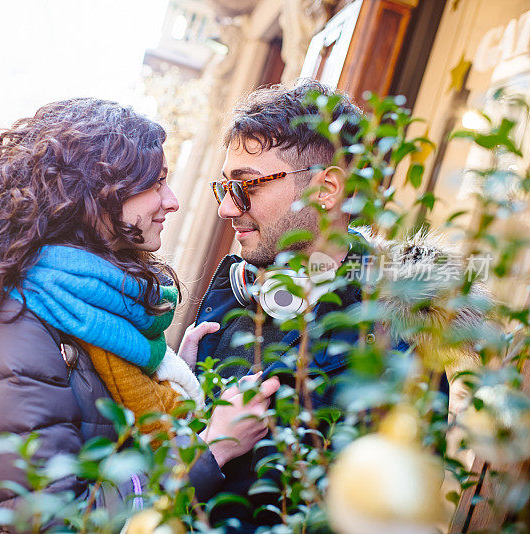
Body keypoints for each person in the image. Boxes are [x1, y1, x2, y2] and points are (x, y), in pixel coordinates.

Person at [0, 98, 279, 528]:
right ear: (96, 196)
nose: (173, 201)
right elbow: (54, 520)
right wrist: (214, 448)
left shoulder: (89, 309)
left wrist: (170, 373)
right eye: (157, 184)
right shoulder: (12, 334)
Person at [193, 80, 485, 530]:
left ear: (326, 189)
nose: (227, 209)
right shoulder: (230, 294)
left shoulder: (397, 333)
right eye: (224, 188)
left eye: (247, 186)